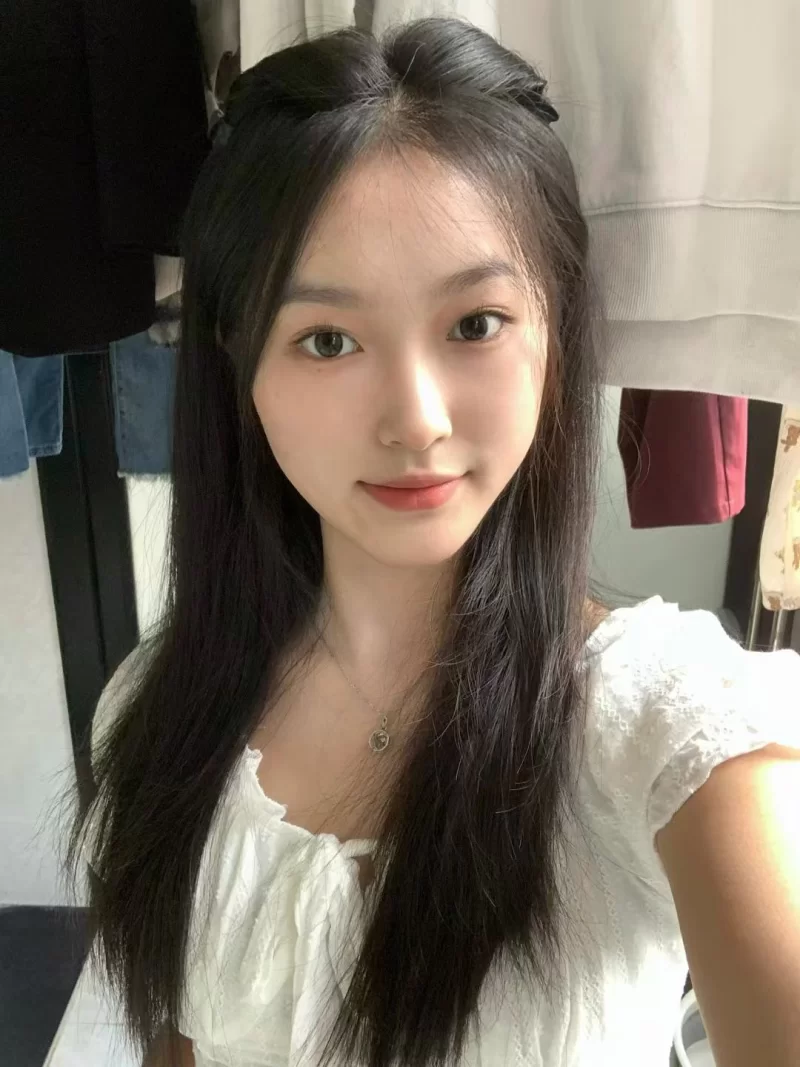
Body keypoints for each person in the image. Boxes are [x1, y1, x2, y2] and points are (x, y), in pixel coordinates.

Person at [60, 17, 800, 1067]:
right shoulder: (153, 712)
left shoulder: (670, 726)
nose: (415, 419)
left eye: (475, 323)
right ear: (238, 365)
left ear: (555, 331)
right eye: (327, 339)